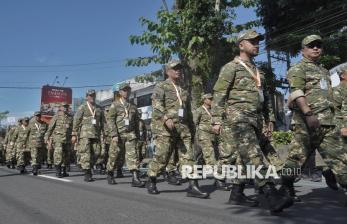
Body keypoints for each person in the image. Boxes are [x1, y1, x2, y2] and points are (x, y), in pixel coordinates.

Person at [212, 30, 293, 213]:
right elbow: (219, 95)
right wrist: (216, 120)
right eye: (252, 42)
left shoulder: (259, 72)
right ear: (241, 45)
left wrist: (269, 119)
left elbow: (264, 98)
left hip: (256, 119)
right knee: (253, 155)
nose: (257, 45)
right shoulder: (230, 67)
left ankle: (237, 193)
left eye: (258, 42)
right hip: (238, 118)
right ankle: (271, 195)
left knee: (244, 158)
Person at [284, 35, 347, 205]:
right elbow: (296, 92)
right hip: (307, 123)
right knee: (296, 160)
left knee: (342, 157)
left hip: (327, 123)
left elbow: (329, 97)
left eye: (319, 45)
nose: (316, 48)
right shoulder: (297, 69)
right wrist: (308, 114)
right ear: (303, 50)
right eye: (311, 46)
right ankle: (286, 187)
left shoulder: (324, 71)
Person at [146, 59, 209, 198]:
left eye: (179, 68)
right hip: (166, 129)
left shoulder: (183, 88)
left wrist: (192, 129)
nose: (178, 70)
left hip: (183, 128)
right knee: (162, 157)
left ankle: (193, 186)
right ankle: (151, 179)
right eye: (175, 68)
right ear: (168, 71)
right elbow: (156, 105)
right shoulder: (161, 86)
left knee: (189, 157)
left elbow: (188, 111)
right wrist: (165, 118)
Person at [106, 82, 145, 187]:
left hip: (131, 135)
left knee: (133, 156)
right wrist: (114, 134)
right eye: (124, 90)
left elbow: (136, 122)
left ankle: (135, 178)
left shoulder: (133, 106)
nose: (126, 92)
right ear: (120, 92)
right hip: (118, 134)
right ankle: (110, 173)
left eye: (128, 90)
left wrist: (137, 135)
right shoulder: (115, 104)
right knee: (114, 155)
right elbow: (110, 119)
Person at [194, 93, 228, 190]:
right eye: (209, 99)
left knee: (215, 157)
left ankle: (195, 175)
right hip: (204, 137)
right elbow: (195, 124)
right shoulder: (199, 110)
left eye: (212, 99)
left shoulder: (213, 111)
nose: (211, 100)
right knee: (211, 158)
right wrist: (207, 129)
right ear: (204, 100)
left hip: (214, 137)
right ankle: (218, 181)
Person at [72, 89, 104, 182]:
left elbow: (103, 122)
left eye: (93, 95)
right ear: (86, 97)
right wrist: (74, 134)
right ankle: (87, 173)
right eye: (90, 95)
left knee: (97, 152)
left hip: (96, 134)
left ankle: (87, 166)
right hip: (84, 134)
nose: (92, 97)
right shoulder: (82, 107)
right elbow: (76, 120)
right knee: (86, 154)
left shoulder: (99, 108)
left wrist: (105, 133)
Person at [45, 103, 73, 178]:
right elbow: (50, 128)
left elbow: (73, 129)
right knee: (58, 154)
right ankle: (58, 171)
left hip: (67, 139)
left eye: (67, 107)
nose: (66, 108)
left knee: (66, 155)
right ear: (60, 107)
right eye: (64, 107)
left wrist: (74, 137)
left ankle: (64, 171)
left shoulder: (70, 117)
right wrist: (46, 137)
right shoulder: (56, 116)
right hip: (58, 139)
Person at [28, 111, 47, 175]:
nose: (38, 117)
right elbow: (27, 134)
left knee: (39, 156)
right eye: (36, 116)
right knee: (34, 155)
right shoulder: (30, 124)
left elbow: (47, 132)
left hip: (41, 143)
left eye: (39, 116)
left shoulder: (44, 124)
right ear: (34, 116)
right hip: (33, 143)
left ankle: (37, 167)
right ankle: (34, 169)